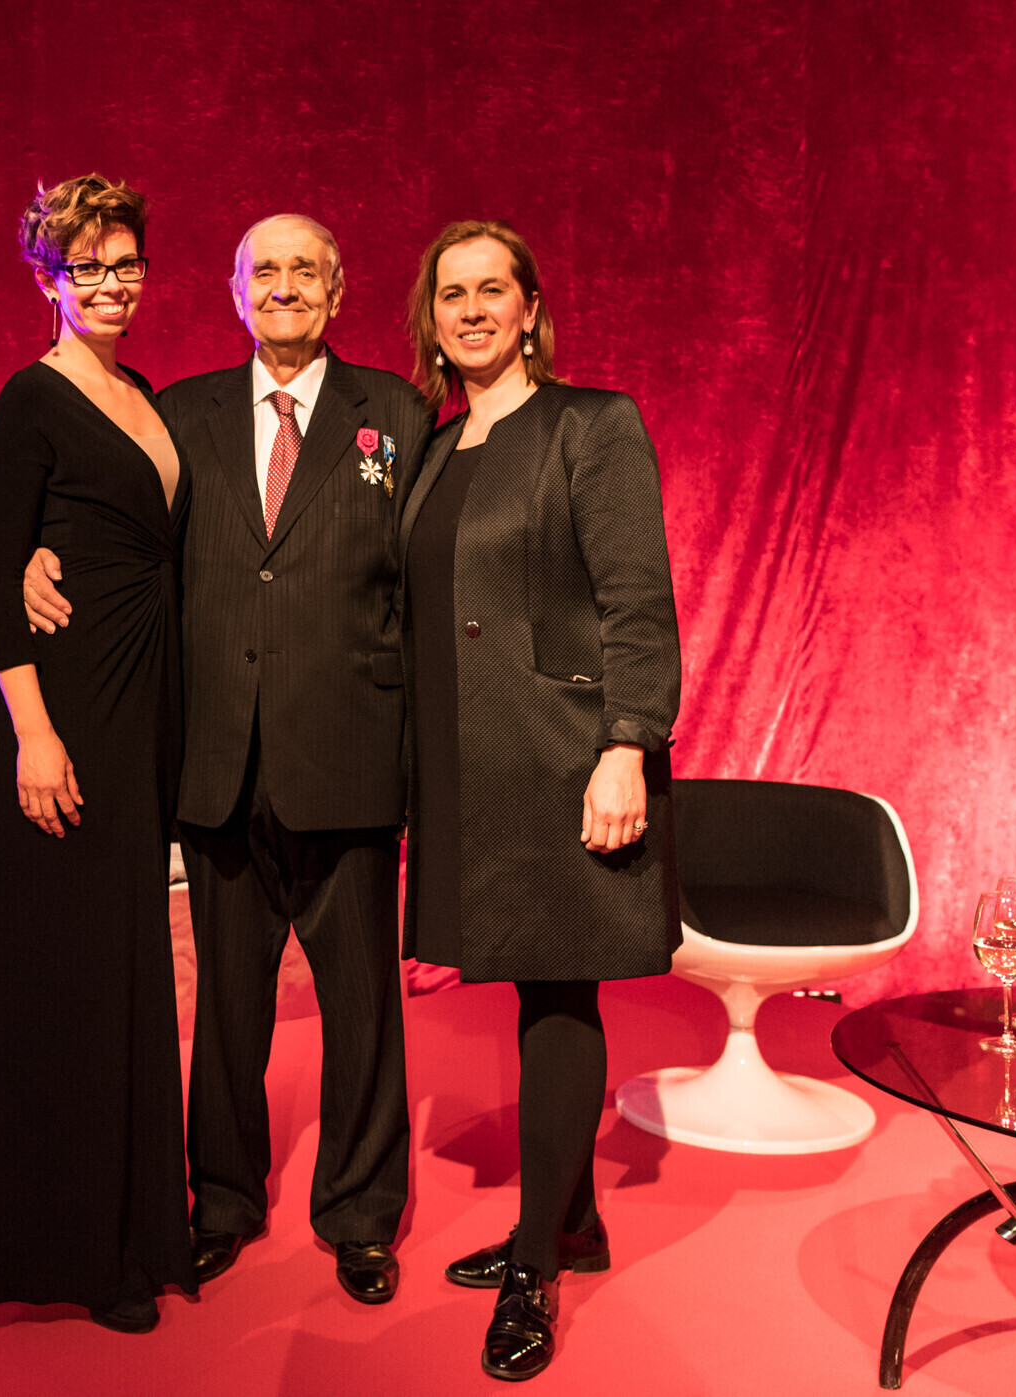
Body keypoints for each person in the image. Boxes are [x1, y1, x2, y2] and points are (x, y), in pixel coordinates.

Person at [25, 214, 431, 1303]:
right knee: (227, 1012)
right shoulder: (178, 413)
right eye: (265, 271)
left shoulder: (396, 413)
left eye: (305, 269)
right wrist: (34, 552)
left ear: (337, 289)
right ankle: (222, 1201)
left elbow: (425, 580)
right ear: (234, 292)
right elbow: (113, 532)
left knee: (363, 1011)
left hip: (349, 758)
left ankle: (360, 1212)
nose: (285, 286)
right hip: (216, 763)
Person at [398, 220, 681, 1381]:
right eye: (449, 293)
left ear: (528, 309)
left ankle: (530, 1263)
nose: (469, 309)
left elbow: (635, 598)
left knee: (558, 988)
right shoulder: (431, 447)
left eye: (490, 289)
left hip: (564, 755)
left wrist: (626, 744)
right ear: (430, 319)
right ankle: (573, 1221)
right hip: (469, 762)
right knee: (530, 981)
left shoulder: (591, 423)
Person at [0, 174, 193, 1334]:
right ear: (45, 279)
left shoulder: (141, 391)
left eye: (124, 263)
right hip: (65, 722)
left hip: (139, 709)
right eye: (84, 266)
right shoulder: (29, 399)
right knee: (68, 979)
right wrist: (34, 737)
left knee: (126, 967)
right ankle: (76, 1246)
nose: (109, 284)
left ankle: (137, 1223)